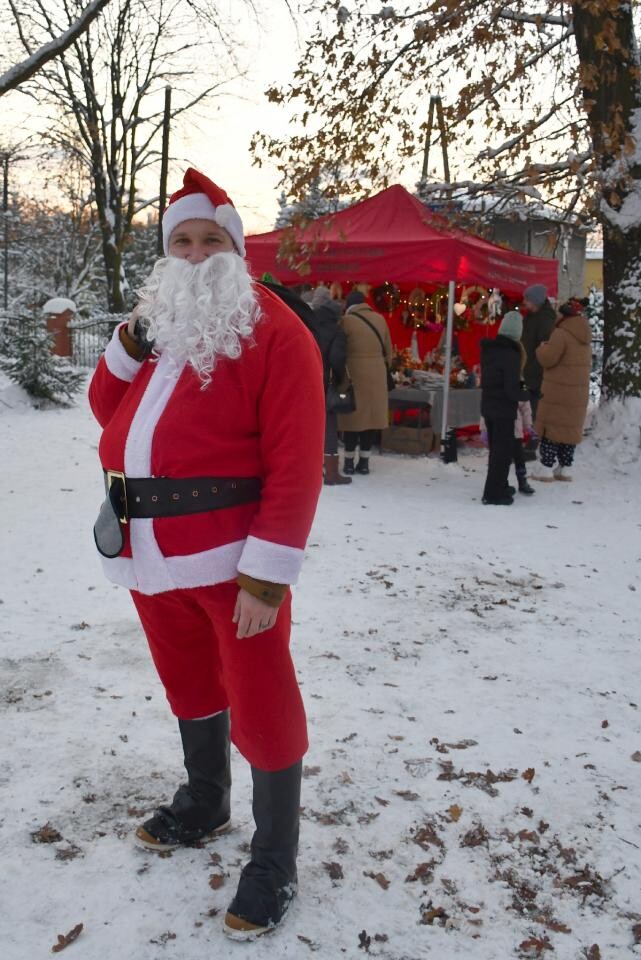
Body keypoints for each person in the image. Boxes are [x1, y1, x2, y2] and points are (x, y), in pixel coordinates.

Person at [88, 168, 325, 940]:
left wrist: (266, 578)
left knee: (262, 700)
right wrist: (129, 342)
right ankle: (205, 800)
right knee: (187, 681)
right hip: (149, 552)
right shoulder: (163, 325)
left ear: (236, 249)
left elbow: (296, 461)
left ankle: (275, 858)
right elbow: (105, 409)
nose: (194, 254)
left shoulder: (274, 330)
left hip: (231, 563)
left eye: (210, 241)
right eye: (181, 241)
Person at [531, 298, 592, 482]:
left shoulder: (561, 333)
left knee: (552, 429)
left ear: (564, 315)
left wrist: (541, 349)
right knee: (569, 430)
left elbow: (548, 358)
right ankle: (565, 469)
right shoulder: (584, 336)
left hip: (558, 391)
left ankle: (546, 468)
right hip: (577, 393)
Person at [337, 290, 392, 475]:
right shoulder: (380, 319)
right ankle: (364, 462)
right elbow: (388, 352)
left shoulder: (346, 321)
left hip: (353, 374)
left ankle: (349, 462)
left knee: (352, 420)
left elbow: (339, 350)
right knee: (370, 419)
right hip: (377, 375)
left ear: (349, 305)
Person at [479, 311, 529, 505]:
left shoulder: (490, 351)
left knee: (496, 451)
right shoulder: (511, 355)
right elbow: (513, 387)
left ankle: (500, 485)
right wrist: (527, 394)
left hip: (489, 406)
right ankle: (493, 494)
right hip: (503, 410)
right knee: (502, 454)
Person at [311, 286, 352, 486]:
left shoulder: (307, 323)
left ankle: (311, 468)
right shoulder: (337, 330)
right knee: (329, 425)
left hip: (306, 379)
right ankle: (331, 472)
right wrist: (339, 378)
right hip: (325, 382)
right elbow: (337, 358)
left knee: (307, 424)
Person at [480, 397, 535, 496]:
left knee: (519, 457)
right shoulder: (493, 388)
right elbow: (486, 409)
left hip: (515, 430)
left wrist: (528, 425)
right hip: (498, 429)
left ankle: (522, 481)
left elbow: (526, 407)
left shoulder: (520, 387)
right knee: (501, 458)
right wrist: (484, 429)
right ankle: (502, 482)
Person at [521, 284, 557, 419]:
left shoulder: (545, 319)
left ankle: (534, 432)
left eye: (527, 299)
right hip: (527, 371)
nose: (524, 302)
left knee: (534, 411)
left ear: (535, 301)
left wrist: (533, 368)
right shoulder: (530, 317)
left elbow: (545, 348)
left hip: (536, 374)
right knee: (525, 409)